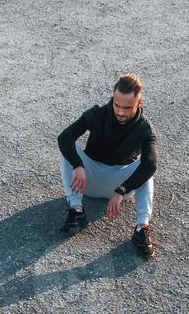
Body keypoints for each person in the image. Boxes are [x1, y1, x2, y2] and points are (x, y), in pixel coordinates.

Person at [56, 72, 158, 259]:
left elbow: (150, 164)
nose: (119, 112)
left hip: (119, 184)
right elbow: (64, 138)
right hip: (88, 179)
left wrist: (121, 190)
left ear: (139, 104)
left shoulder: (145, 128)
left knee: (147, 168)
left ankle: (141, 228)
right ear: (112, 98)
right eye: (116, 105)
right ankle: (77, 210)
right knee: (67, 151)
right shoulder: (97, 113)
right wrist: (78, 166)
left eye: (127, 108)